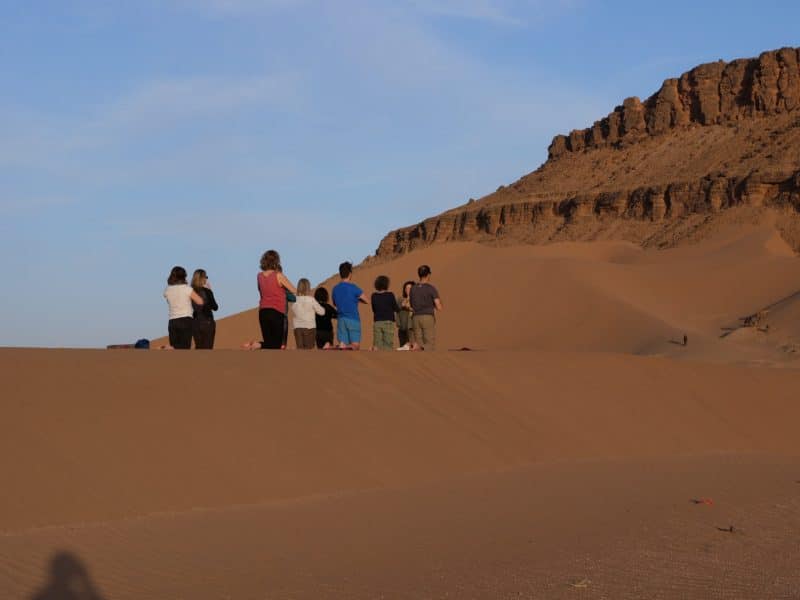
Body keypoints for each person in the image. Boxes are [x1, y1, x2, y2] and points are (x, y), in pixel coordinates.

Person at [255, 250, 297, 349]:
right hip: (277, 312)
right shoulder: (278, 275)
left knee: (269, 343)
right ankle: (258, 344)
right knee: (276, 345)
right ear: (276, 261)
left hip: (263, 311)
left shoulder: (259, 276)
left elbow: (260, 291)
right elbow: (294, 290)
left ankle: (258, 344)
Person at [164, 266, 204, 349]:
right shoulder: (187, 289)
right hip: (186, 320)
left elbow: (169, 301)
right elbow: (200, 301)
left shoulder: (167, 290)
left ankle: (170, 348)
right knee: (184, 347)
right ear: (184, 276)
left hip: (172, 321)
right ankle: (168, 348)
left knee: (175, 348)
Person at [332, 261, 366, 349]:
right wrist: (357, 299)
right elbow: (366, 300)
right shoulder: (353, 287)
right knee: (355, 345)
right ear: (350, 274)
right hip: (353, 319)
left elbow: (335, 304)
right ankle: (336, 347)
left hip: (341, 319)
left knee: (343, 347)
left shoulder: (335, 289)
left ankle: (333, 346)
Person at [409, 264, 442, 350]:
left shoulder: (413, 288)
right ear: (428, 274)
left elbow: (411, 304)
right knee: (429, 344)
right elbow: (439, 306)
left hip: (415, 318)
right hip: (427, 317)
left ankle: (416, 347)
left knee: (418, 343)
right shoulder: (431, 288)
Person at [291, 278, 325, 349]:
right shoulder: (311, 300)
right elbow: (322, 312)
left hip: (297, 328)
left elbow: (293, 309)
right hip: (310, 328)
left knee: (300, 349)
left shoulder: (295, 299)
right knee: (308, 349)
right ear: (308, 288)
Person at [191, 269, 218, 349]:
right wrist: (210, 292)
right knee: (207, 350)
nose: (206, 279)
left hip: (195, 323)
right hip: (207, 322)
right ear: (202, 278)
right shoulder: (207, 291)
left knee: (199, 348)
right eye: (206, 277)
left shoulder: (190, 291)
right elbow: (215, 307)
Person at [371, 275, 399, 350]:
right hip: (388, 322)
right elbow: (396, 308)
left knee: (377, 345)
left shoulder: (374, 296)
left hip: (377, 322)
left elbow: (374, 309)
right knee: (388, 345)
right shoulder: (390, 295)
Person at [397, 280, 416, 350]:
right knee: (403, 347)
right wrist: (408, 298)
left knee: (411, 346)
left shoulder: (416, 300)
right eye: (406, 288)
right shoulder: (400, 299)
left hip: (412, 327)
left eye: (410, 288)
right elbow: (402, 305)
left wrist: (409, 307)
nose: (408, 290)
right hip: (402, 327)